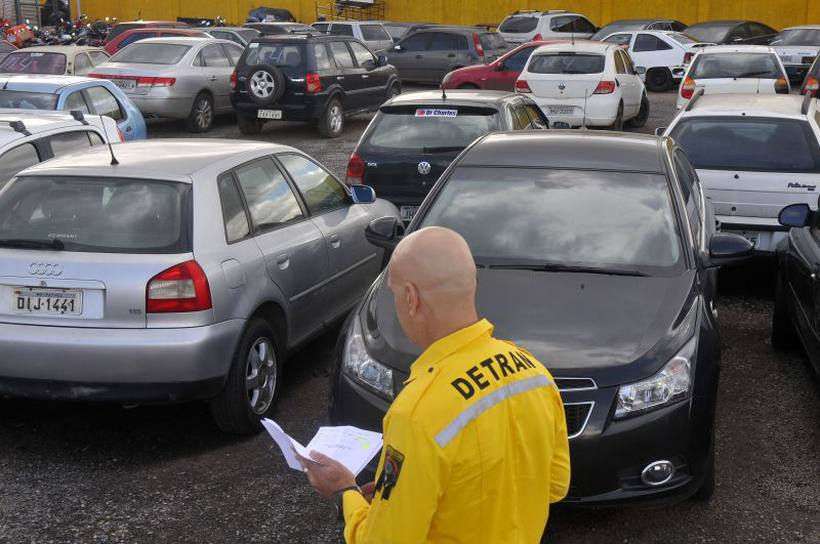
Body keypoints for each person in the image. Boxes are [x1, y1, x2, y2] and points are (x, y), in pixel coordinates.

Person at [300, 227, 570, 543]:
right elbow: (556, 484)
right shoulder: (532, 371)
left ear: (412, 298)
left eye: (395, 293)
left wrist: (344, 492)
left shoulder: (417, 412)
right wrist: (401, 499)